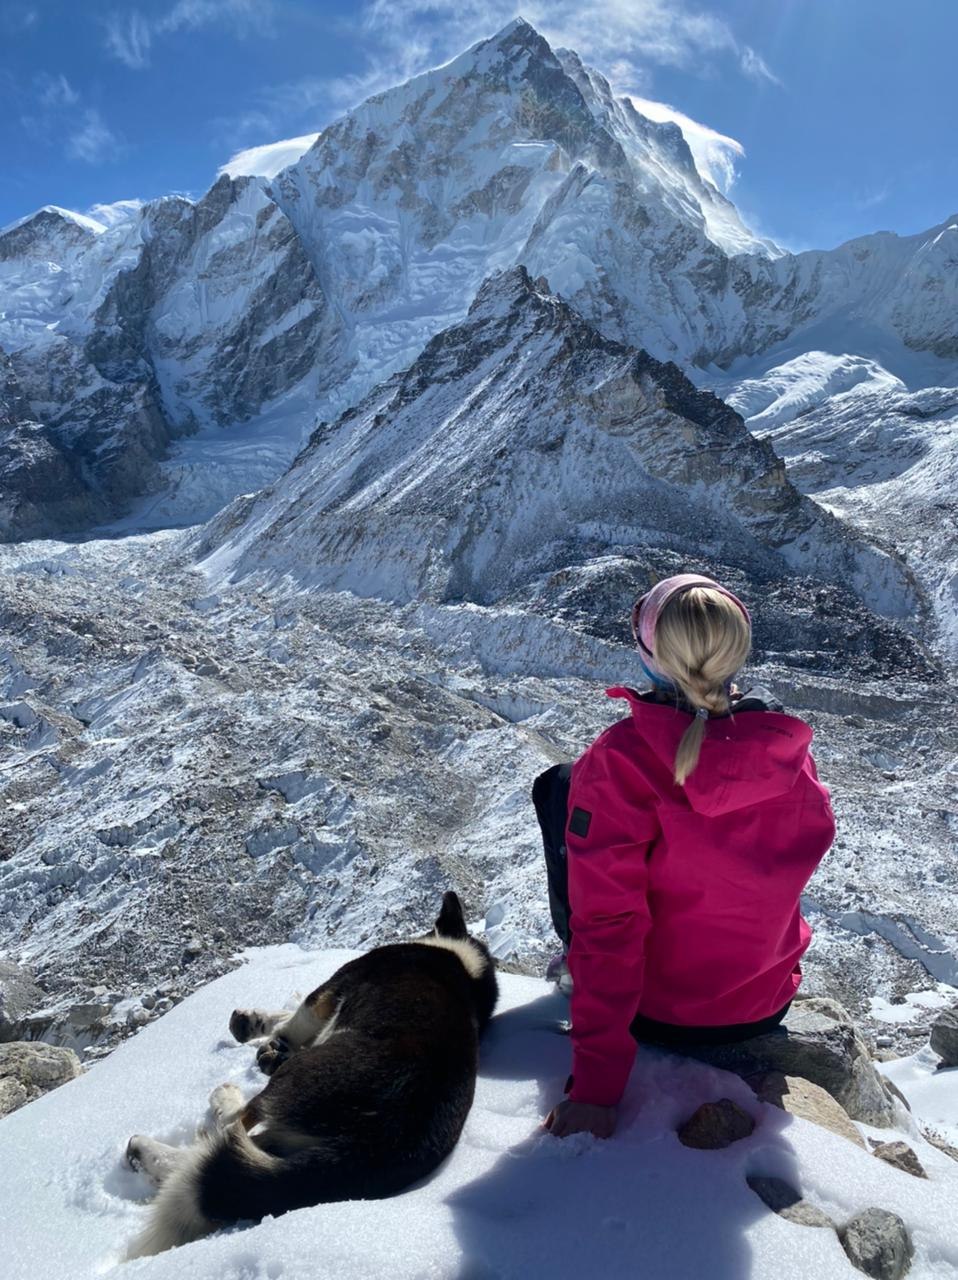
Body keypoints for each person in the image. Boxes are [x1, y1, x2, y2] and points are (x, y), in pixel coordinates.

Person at [533, 573, 836, 1140]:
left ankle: (568, 966)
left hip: (660, 1016)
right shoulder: (785, 751)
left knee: (559, 788)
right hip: (763, 1003)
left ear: (651, 654)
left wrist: (597, 1090)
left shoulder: (622, 760)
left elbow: (610, 924)